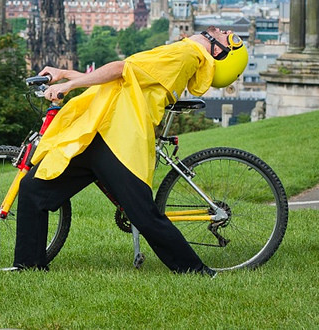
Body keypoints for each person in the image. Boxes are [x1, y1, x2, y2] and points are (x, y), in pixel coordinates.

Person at [13, 26, 248, 275]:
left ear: (221, 52)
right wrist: (64, 75)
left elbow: (119, 69)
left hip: (117, 138)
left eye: (228, 35)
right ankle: (30, 267)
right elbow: (116, 79)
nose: (223, 29)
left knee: (144, 215)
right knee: (33, 188)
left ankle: (196, 271)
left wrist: (68, 86)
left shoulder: (185, 54)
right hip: (101, 132)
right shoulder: (184, 53)